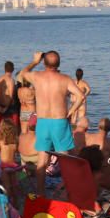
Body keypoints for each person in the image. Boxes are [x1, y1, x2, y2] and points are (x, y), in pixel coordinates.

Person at [20, 50, 85, 196]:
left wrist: (34, 61)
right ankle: (68, 192)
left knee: (42, 161)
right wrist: (70, 111)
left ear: (44, 63)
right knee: (65, 160)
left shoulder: (37, 76)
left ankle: (41, 194)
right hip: (59, 121)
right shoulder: (65, 79)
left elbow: (23, 73)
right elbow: (81, 96)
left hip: (43, 122)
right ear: (59, 63)